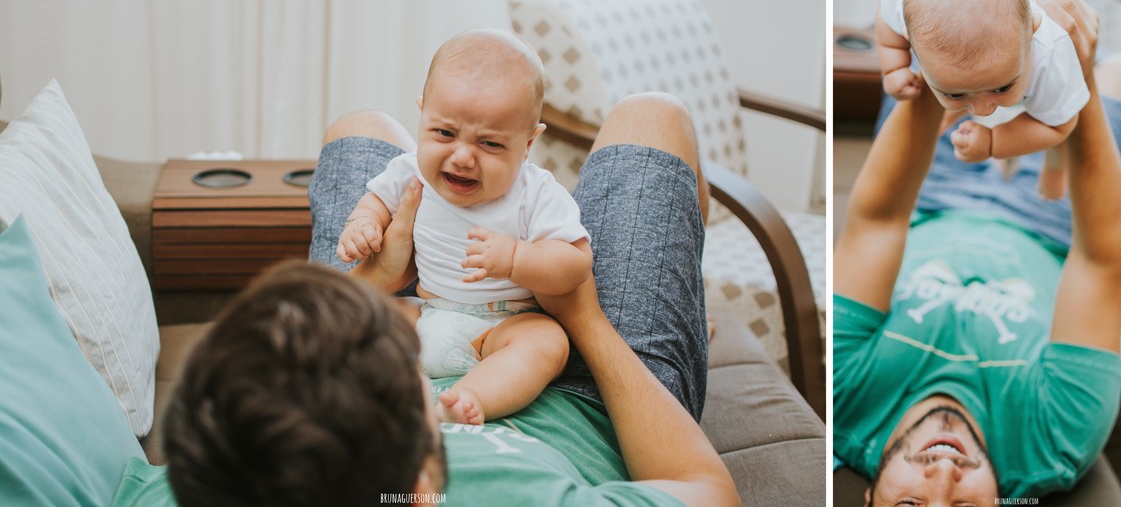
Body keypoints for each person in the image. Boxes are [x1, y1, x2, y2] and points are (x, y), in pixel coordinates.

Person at [125, 92, 737, 506]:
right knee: (652, 115)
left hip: (406, 326)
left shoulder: (213, 474)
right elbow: (708, 489)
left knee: (361, 129)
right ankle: (680, 325)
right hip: (590, 391)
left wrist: (374, 280)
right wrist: (586, 320)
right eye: (395, 381)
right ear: (421, 487)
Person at [835, 0, 1121, 504]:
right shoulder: (1054, 442)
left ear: (868, 500)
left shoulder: (846, 397)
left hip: (929, 194)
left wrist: (941, 75)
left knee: (953, 29)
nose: (944, 476)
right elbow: (1099, 260)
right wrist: (1078, 74)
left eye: (910, 505)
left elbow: (879, 219)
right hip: (1052, 220)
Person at [336, 29, 590, 425]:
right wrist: (363, 224)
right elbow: (376, 201)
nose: (462, 157)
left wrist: (517, 258)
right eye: (444, 133)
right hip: (428, 313)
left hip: (503, 325)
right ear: (422, 114)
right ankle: (357, 389)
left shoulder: (536, 192)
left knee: (547, 341)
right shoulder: (409, 170)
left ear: (528, 143)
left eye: (490, 144)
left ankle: (472, 398)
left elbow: (575, 263)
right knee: (362, 315)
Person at [876, 0, 1089, 200]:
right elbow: (884, 15)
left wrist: (993, 142)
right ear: (909, 36)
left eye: (1002, 88)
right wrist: (894, 68)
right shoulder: (904, 3)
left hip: (1045, 39)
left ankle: (1055, 168)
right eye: (955, 93)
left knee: (1056, 115)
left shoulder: (1051, 52)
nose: (983, 110)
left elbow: (1058, 126)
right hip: (981, 1)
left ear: (1031, 30)